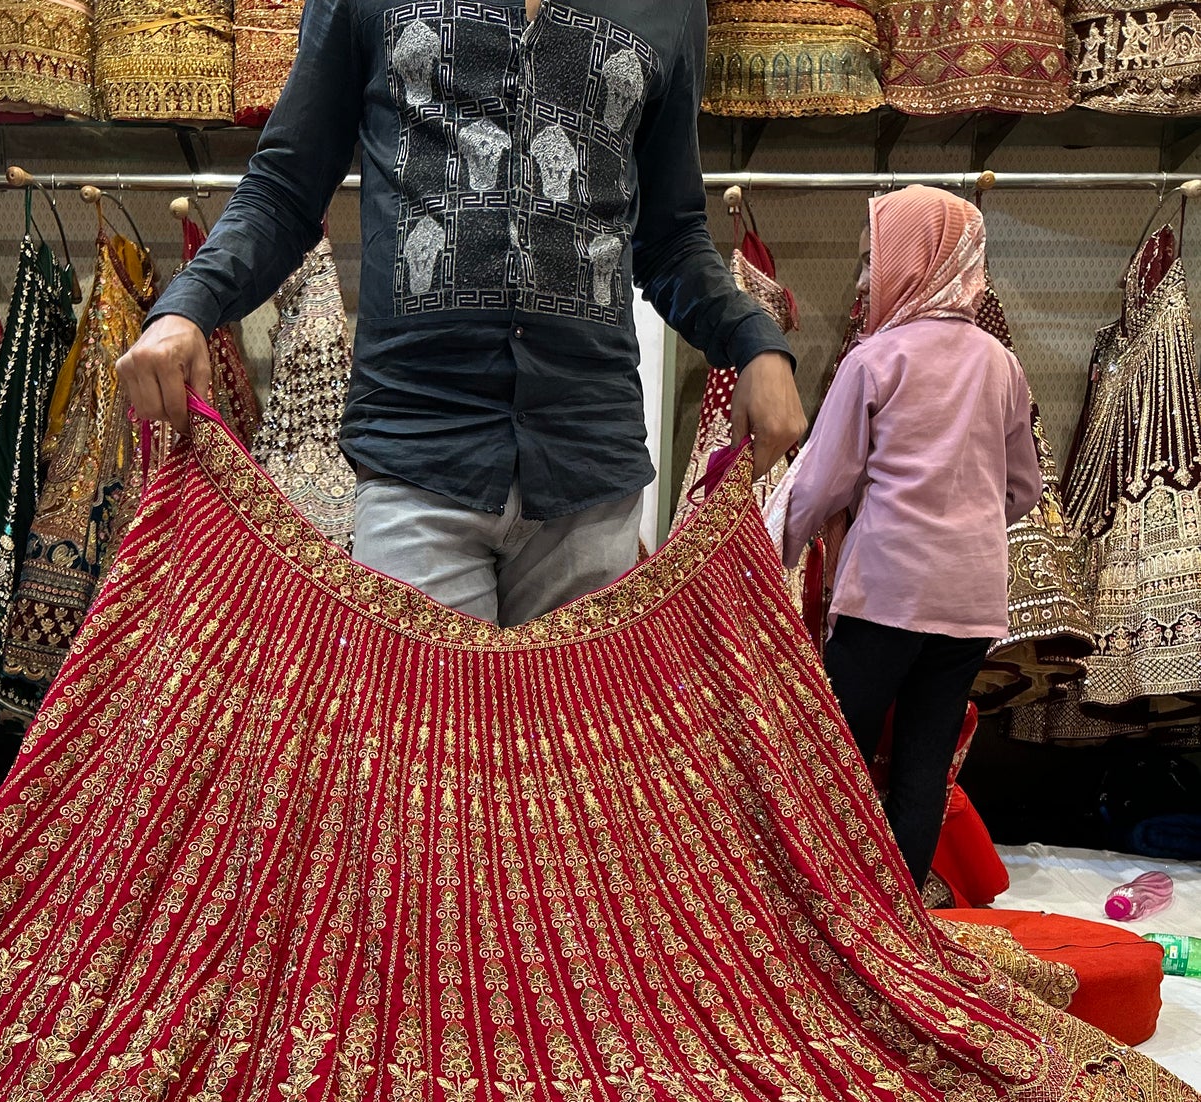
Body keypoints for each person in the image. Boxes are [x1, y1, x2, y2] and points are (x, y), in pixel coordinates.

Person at [117, 0, 806, 625]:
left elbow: (671, 235)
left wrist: (754, 341)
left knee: (567, 759)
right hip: (418, 456)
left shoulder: (669, 8)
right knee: (416, 758)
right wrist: (185, 308)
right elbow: (286, 190)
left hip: (587, 470)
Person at [780, 185, 1042, 889]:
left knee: (832, 757)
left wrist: (764, 559)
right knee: (924, 771)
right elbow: (1024, 490)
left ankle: (825, 911)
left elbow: (818, 486)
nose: (866, 279)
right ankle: (899, 930)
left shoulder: (876, 359)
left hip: (885, 595)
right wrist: (967, 522)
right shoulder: (1001, 364)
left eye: (875, 260)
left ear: (916, 262)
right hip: (969, 602)